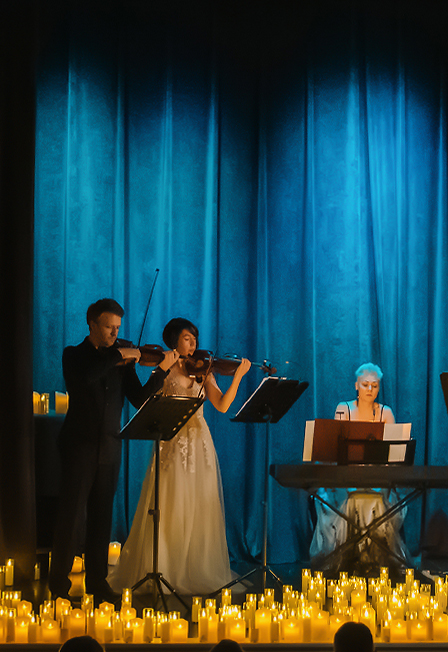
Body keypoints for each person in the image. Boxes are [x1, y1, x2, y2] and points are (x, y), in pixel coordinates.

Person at [107, 317, 251, 595]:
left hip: (200, 443)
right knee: (170, 502)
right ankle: (165, 567)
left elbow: (222, 405)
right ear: (174, 341)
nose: (193, 344)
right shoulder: (163, 367)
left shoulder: (203, 371)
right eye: (187, 338)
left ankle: (193, 568)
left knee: (199, 505)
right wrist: (161, 365)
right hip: (171, 440)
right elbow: (144, 399)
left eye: (195, 338)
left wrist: (238, 377)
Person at [48, 298, 178, 603]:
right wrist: (118, 354)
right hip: (78, 445)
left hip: (110, 446)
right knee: (71, 518)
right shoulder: (74, 355)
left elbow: (139, 398)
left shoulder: (122, 361)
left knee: (102, 517)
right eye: (109, 327)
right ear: (92, 324)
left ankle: (98, 583)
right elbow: (84, 379)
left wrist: (160, 371)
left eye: (117, 327)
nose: (115, 333)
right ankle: (58, 587)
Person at [310, 363, 408, 571]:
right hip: (347, 477)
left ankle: (374, 557)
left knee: (379, 498)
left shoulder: (386, 413)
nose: (370, 389)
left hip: (376, 478)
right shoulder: (343, 409)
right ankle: (344, 555)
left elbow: (393, 454)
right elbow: (335, 449)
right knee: (345, 497)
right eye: (365, 385)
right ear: (356, 385)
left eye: (374, 385)